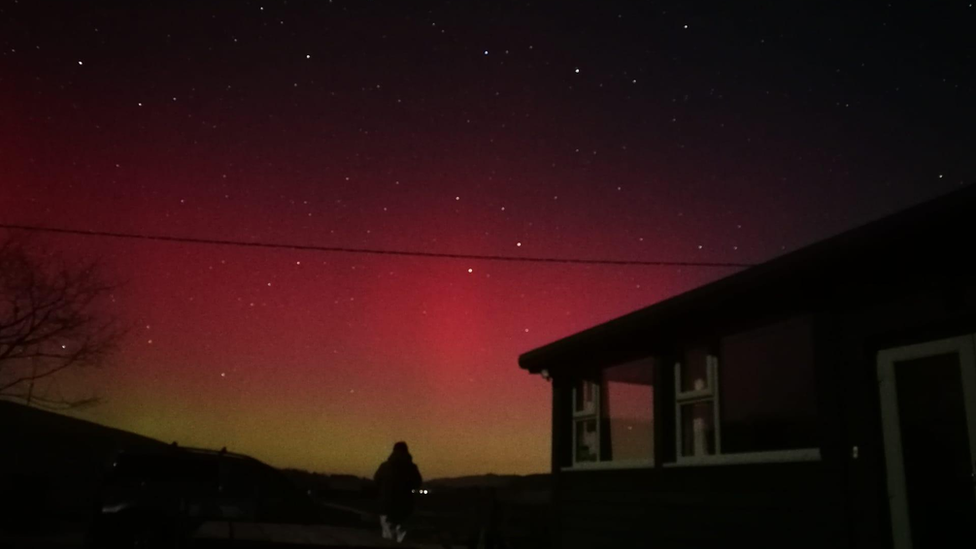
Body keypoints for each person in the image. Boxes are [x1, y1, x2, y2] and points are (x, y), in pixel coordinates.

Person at [373, 441, 422, 543]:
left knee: (387, 539)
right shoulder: (411, 468)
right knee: (401, 538)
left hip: (386, 506)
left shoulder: (384, 466)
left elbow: (376, 481)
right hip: (405, 508)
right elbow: (417, 483)